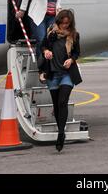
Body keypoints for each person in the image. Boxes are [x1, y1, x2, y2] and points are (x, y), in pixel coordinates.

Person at [39, 9, 82, 152]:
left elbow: (77, 52)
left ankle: (60, 134)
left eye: (67, 24)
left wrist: (71, 59)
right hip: (53, 74)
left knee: (63, 102)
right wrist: (46, 51)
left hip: (67, 74)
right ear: (58, 21)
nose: (64, 26)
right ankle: (61, 130)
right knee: (57, 105)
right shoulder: (51, 33)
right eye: (62, 23)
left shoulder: (74, 35)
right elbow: (42, 46)